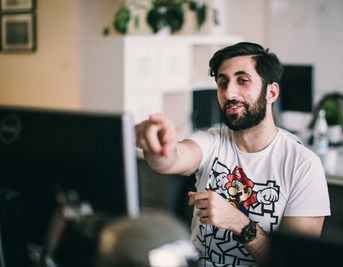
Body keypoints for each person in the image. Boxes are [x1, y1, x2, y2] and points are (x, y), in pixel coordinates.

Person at [135, 42, 331, 266]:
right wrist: (156, 145)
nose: (229, 92)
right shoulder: (212, 141)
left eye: (242, 80)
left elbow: (295, 263)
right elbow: (171, 160)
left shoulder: (303, 166)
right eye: (222, 83)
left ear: (271, 92)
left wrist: (240, 223)